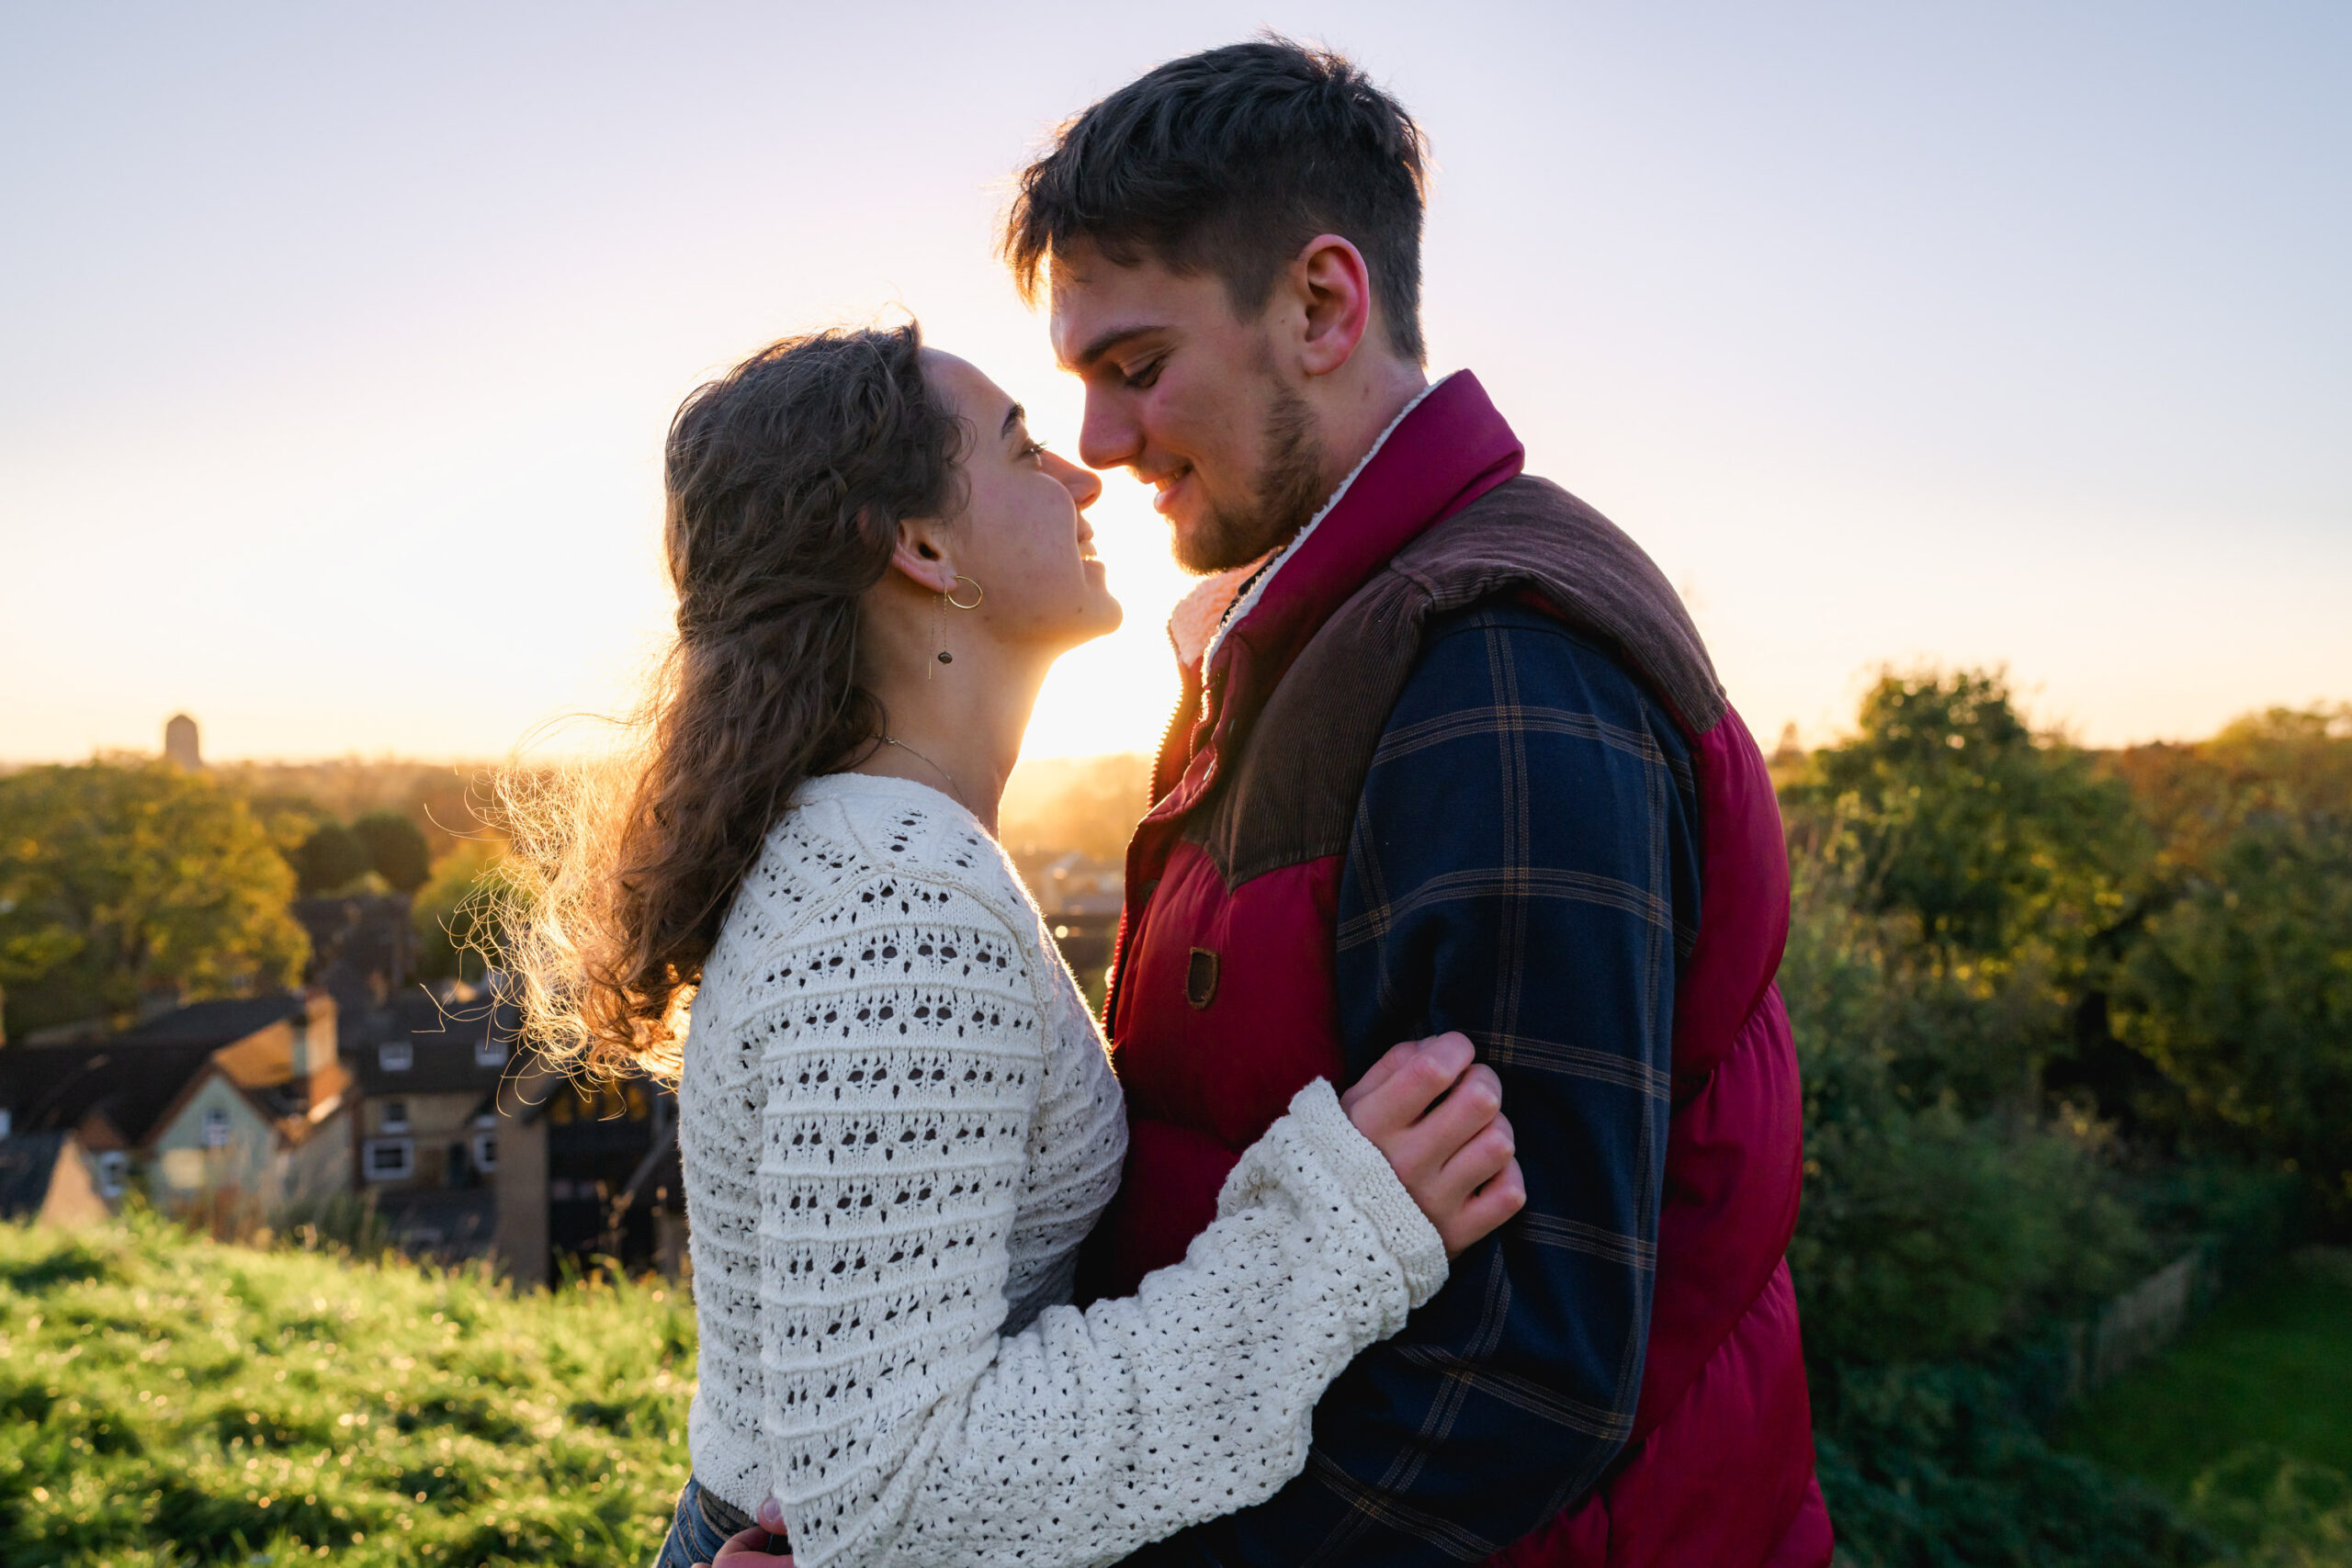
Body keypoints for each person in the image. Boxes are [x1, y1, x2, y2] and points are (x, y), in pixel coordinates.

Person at [991, 39, 1835, 1567]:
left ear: (1320, 305)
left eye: (1133, 368)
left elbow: (1521, 1380)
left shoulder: (1495, 674)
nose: (1100, 448)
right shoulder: (1317, 643)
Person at [500, 322, 1530, 1568]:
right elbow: (898, 1502)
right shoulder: (896, 911)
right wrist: (1329, 1241)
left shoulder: (874, 856)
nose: (1086, 475)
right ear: (922, 547)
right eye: (1022, 448)